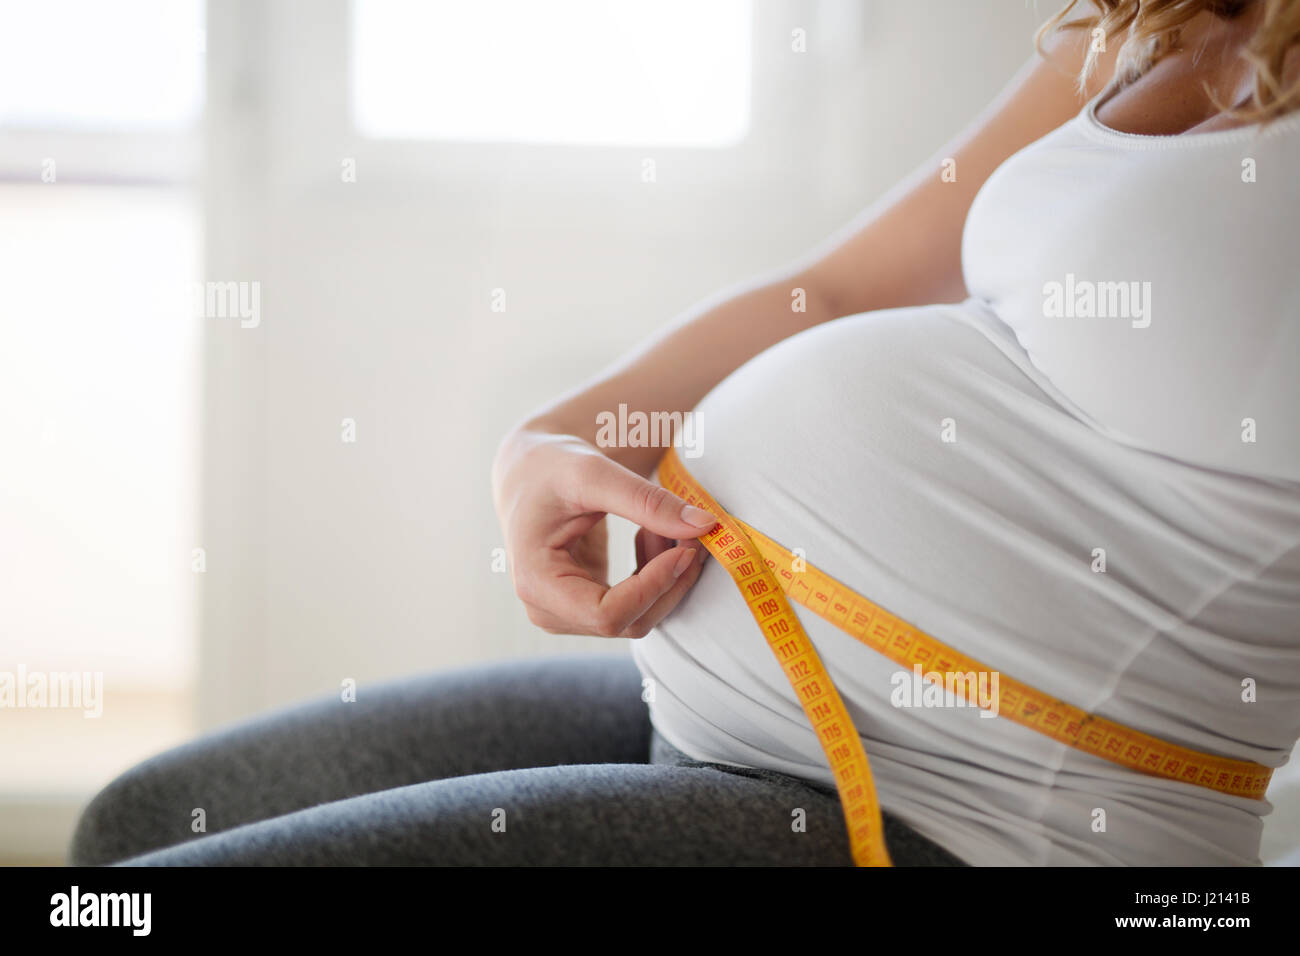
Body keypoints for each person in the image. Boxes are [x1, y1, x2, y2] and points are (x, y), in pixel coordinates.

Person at [72, 0, 1300, 866]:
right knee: (141, 819)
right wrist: (541, 440)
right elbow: (846, 284)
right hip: (730, 715)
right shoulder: (1167, 16)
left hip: (979, 818)